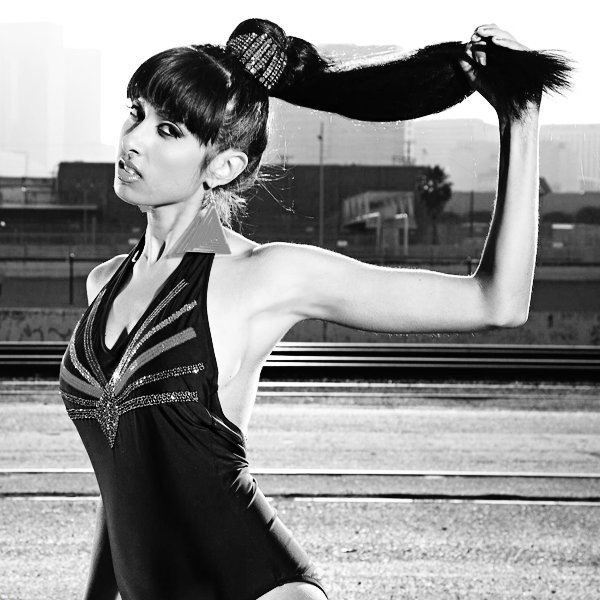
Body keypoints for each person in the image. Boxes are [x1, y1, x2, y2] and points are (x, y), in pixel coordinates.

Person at [59, 18, 570, 600]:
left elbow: (497, 302)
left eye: (168, 130)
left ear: (224, 166)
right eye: (135, 112)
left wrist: (521, 117)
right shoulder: (104, 284)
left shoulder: (265, 275)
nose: (133, 140)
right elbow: (123, 478)